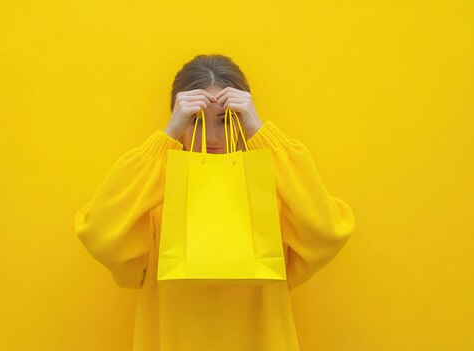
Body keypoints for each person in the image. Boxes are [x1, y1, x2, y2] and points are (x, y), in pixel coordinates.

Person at [74, 54, 356, 351]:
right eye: (195, 121)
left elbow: (328, 233)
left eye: (227, 119)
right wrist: (166, 137)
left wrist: (261, 133)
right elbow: (99, 233)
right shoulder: (154, 207)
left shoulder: (273, 199)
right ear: (177, 120)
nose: (213, 136)